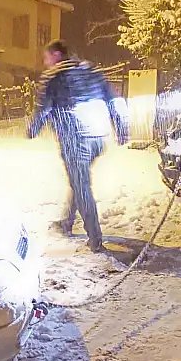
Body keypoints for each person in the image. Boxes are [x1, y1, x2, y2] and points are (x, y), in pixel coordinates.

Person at [29, 40, 129, 252]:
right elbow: (113, 100)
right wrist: (121, 128)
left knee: (81, 185)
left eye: (47, 57)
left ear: (56, 55)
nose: (45, 62)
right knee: (78, 180)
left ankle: (95, 238)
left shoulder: (54, 76)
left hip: (75, 138)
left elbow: (43, 108)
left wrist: (33, 129)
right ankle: (67, 222)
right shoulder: (91, 70)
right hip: (98, 137)